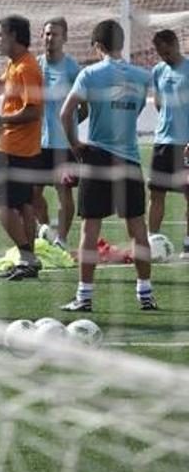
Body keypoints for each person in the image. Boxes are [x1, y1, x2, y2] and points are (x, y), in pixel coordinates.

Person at [59, 20, 157, 312]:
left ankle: (85, 297)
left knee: (90, 230)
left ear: (97, 46)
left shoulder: (90, 73)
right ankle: (145, 294)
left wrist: (75, 143)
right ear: (121, 43)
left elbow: (66, 113)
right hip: (129, 159)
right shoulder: (142, 76)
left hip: (98, 156)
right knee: (138, 229)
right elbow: (138, 109)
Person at [0, 15, 44, 281]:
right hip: (20, 147)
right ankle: (29, 263)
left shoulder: (27, 67)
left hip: (15, 147)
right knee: (23, 204)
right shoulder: (16, 64)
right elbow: (4, 83)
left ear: (14, 35)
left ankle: (27, 256)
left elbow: (34, 110)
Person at [33, 17, 85, 250]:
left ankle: (61, 240)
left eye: (54, 34)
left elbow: (85, 107)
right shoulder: (35, 65)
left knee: (64, 193)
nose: (49, 38)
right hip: (37, 144)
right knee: (33, 194)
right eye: (46, 33)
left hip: (63, 146)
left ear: (65, 38)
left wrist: (69, 126)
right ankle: (45, 232)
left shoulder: (73, 68)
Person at [147, 29, 189, 260]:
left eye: (168, 52)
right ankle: (152, 240)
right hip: (162, 142)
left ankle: (188, 244)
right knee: (156, 193)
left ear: (175, 44)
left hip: (186, 144)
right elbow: (159, 104)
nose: (165, 57)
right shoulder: (158, 71)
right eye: (161, 54)